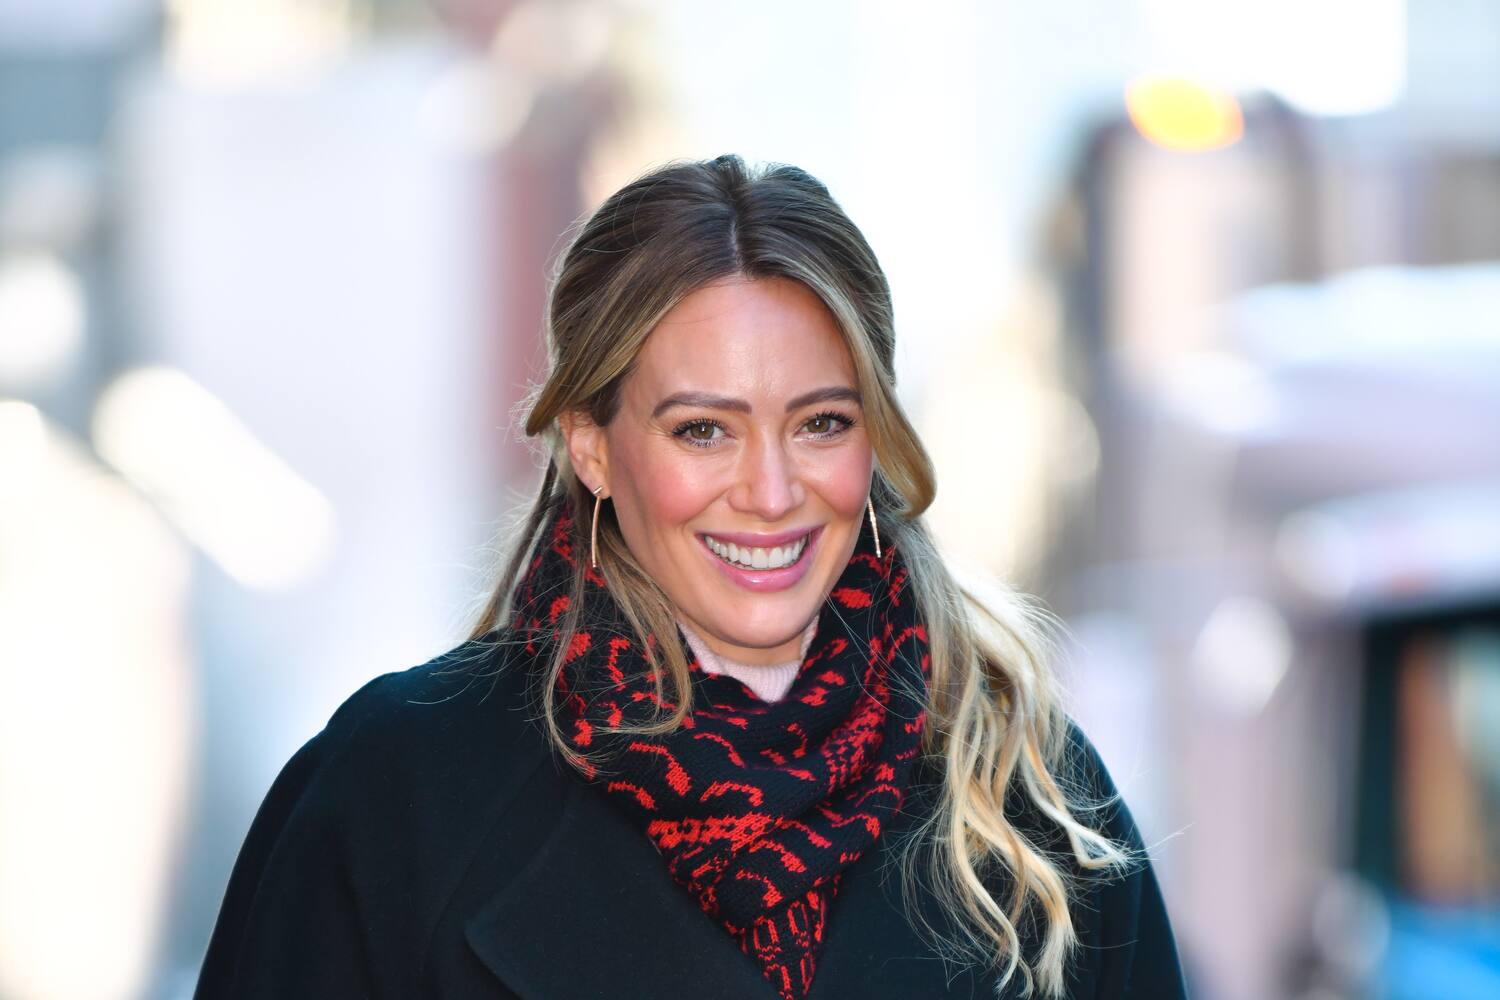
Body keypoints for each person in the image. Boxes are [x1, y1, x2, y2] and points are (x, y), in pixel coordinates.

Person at [194, 154, 1187, 999]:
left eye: (821, 423)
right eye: (703, 430)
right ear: (591, 446)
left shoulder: (1027, 794)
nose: (771, 492)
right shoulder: (401, 793)